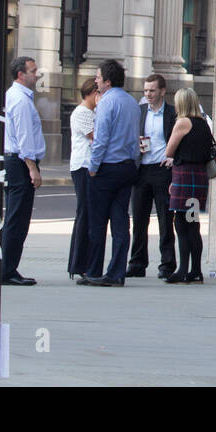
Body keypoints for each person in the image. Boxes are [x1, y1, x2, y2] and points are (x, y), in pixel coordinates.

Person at [81, 59, 140, 286]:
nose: (96, 81)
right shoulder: (132, 103)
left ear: (107, 81)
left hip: (106, 167)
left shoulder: (106, 103)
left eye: (98, 77)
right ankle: (116, 272)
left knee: (97, 222)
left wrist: (93, 167)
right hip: (127, 166)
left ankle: (94, 271)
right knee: (120, 221)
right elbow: (135, 138)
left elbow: (101, 139)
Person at [128, 74, 177, 278]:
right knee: (139, 220)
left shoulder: (173, 114)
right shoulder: (139, 112)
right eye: (146, 90)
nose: (148, 94)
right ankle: (137, 264)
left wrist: (173, 157)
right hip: (142, 170)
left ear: (162, 91)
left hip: (162, 171)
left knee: (166, 220)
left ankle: (167, 265)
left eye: (152, 90)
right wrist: (135, 144)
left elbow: (179, 140)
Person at [2, 56, 44, 286]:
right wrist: (32, 167)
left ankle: (7, 267)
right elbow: (24, 136)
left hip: (18, 161)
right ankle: (7, 269)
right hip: (20, 162)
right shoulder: (20, 100)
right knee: (17, 218)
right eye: (33, 71)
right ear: (21, 74)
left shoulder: (17, 96)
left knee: (16, 217)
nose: (36, 75)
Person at [163, 87, 212, 283]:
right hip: (198, 177)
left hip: (185, 177)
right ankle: (196, 270)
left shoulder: (183, 122)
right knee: (193, 223)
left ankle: (183, 270)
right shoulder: (203, 124)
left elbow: (169, 151)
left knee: (181, 223)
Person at [67, 78, 100, 280]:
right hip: (83, 165)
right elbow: (95, 136)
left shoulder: (92, 112)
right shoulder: (82, 113)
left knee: (87, 213)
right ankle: (79, 263)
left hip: (88, 165)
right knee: (85, 213)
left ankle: (81, 262)